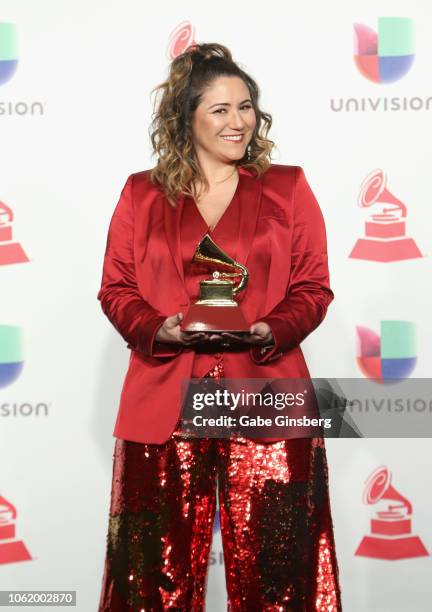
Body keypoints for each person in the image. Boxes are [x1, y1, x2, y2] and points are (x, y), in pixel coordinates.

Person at [98, 43, 341, 611]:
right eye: (221, 110)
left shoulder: (288, 187)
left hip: (268, 395)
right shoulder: (141, 192)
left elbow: (313, 287)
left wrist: (270, 328)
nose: (239, 122)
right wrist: (162, 328)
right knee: (148, 581)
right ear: (186, 118)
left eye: (246, 107)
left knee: (281, 578)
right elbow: (116, 289)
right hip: (163, 403)